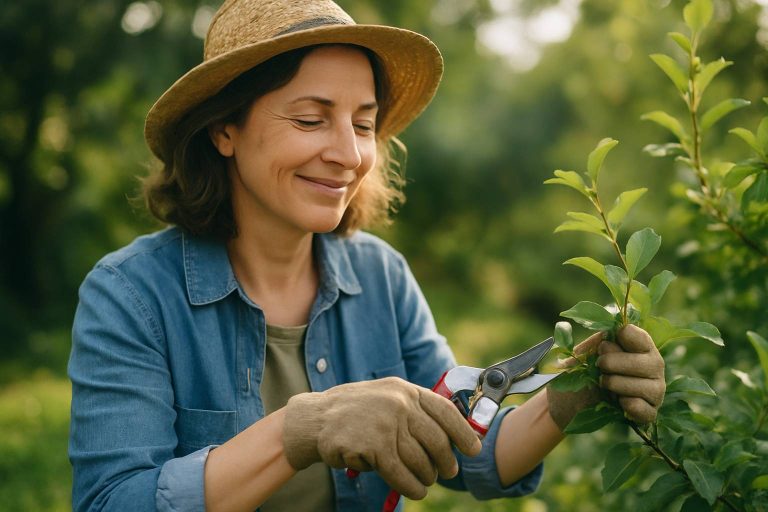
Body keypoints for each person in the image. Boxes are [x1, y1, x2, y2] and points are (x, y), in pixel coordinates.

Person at [67, 1, 666, 511]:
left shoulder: (382, 276)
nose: (349, 155)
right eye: (311, 119)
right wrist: (303, 428)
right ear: (224, 130)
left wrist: (574, 388)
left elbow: (469, 451)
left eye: (363, 125)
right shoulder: (131, 295)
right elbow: (113, 500)